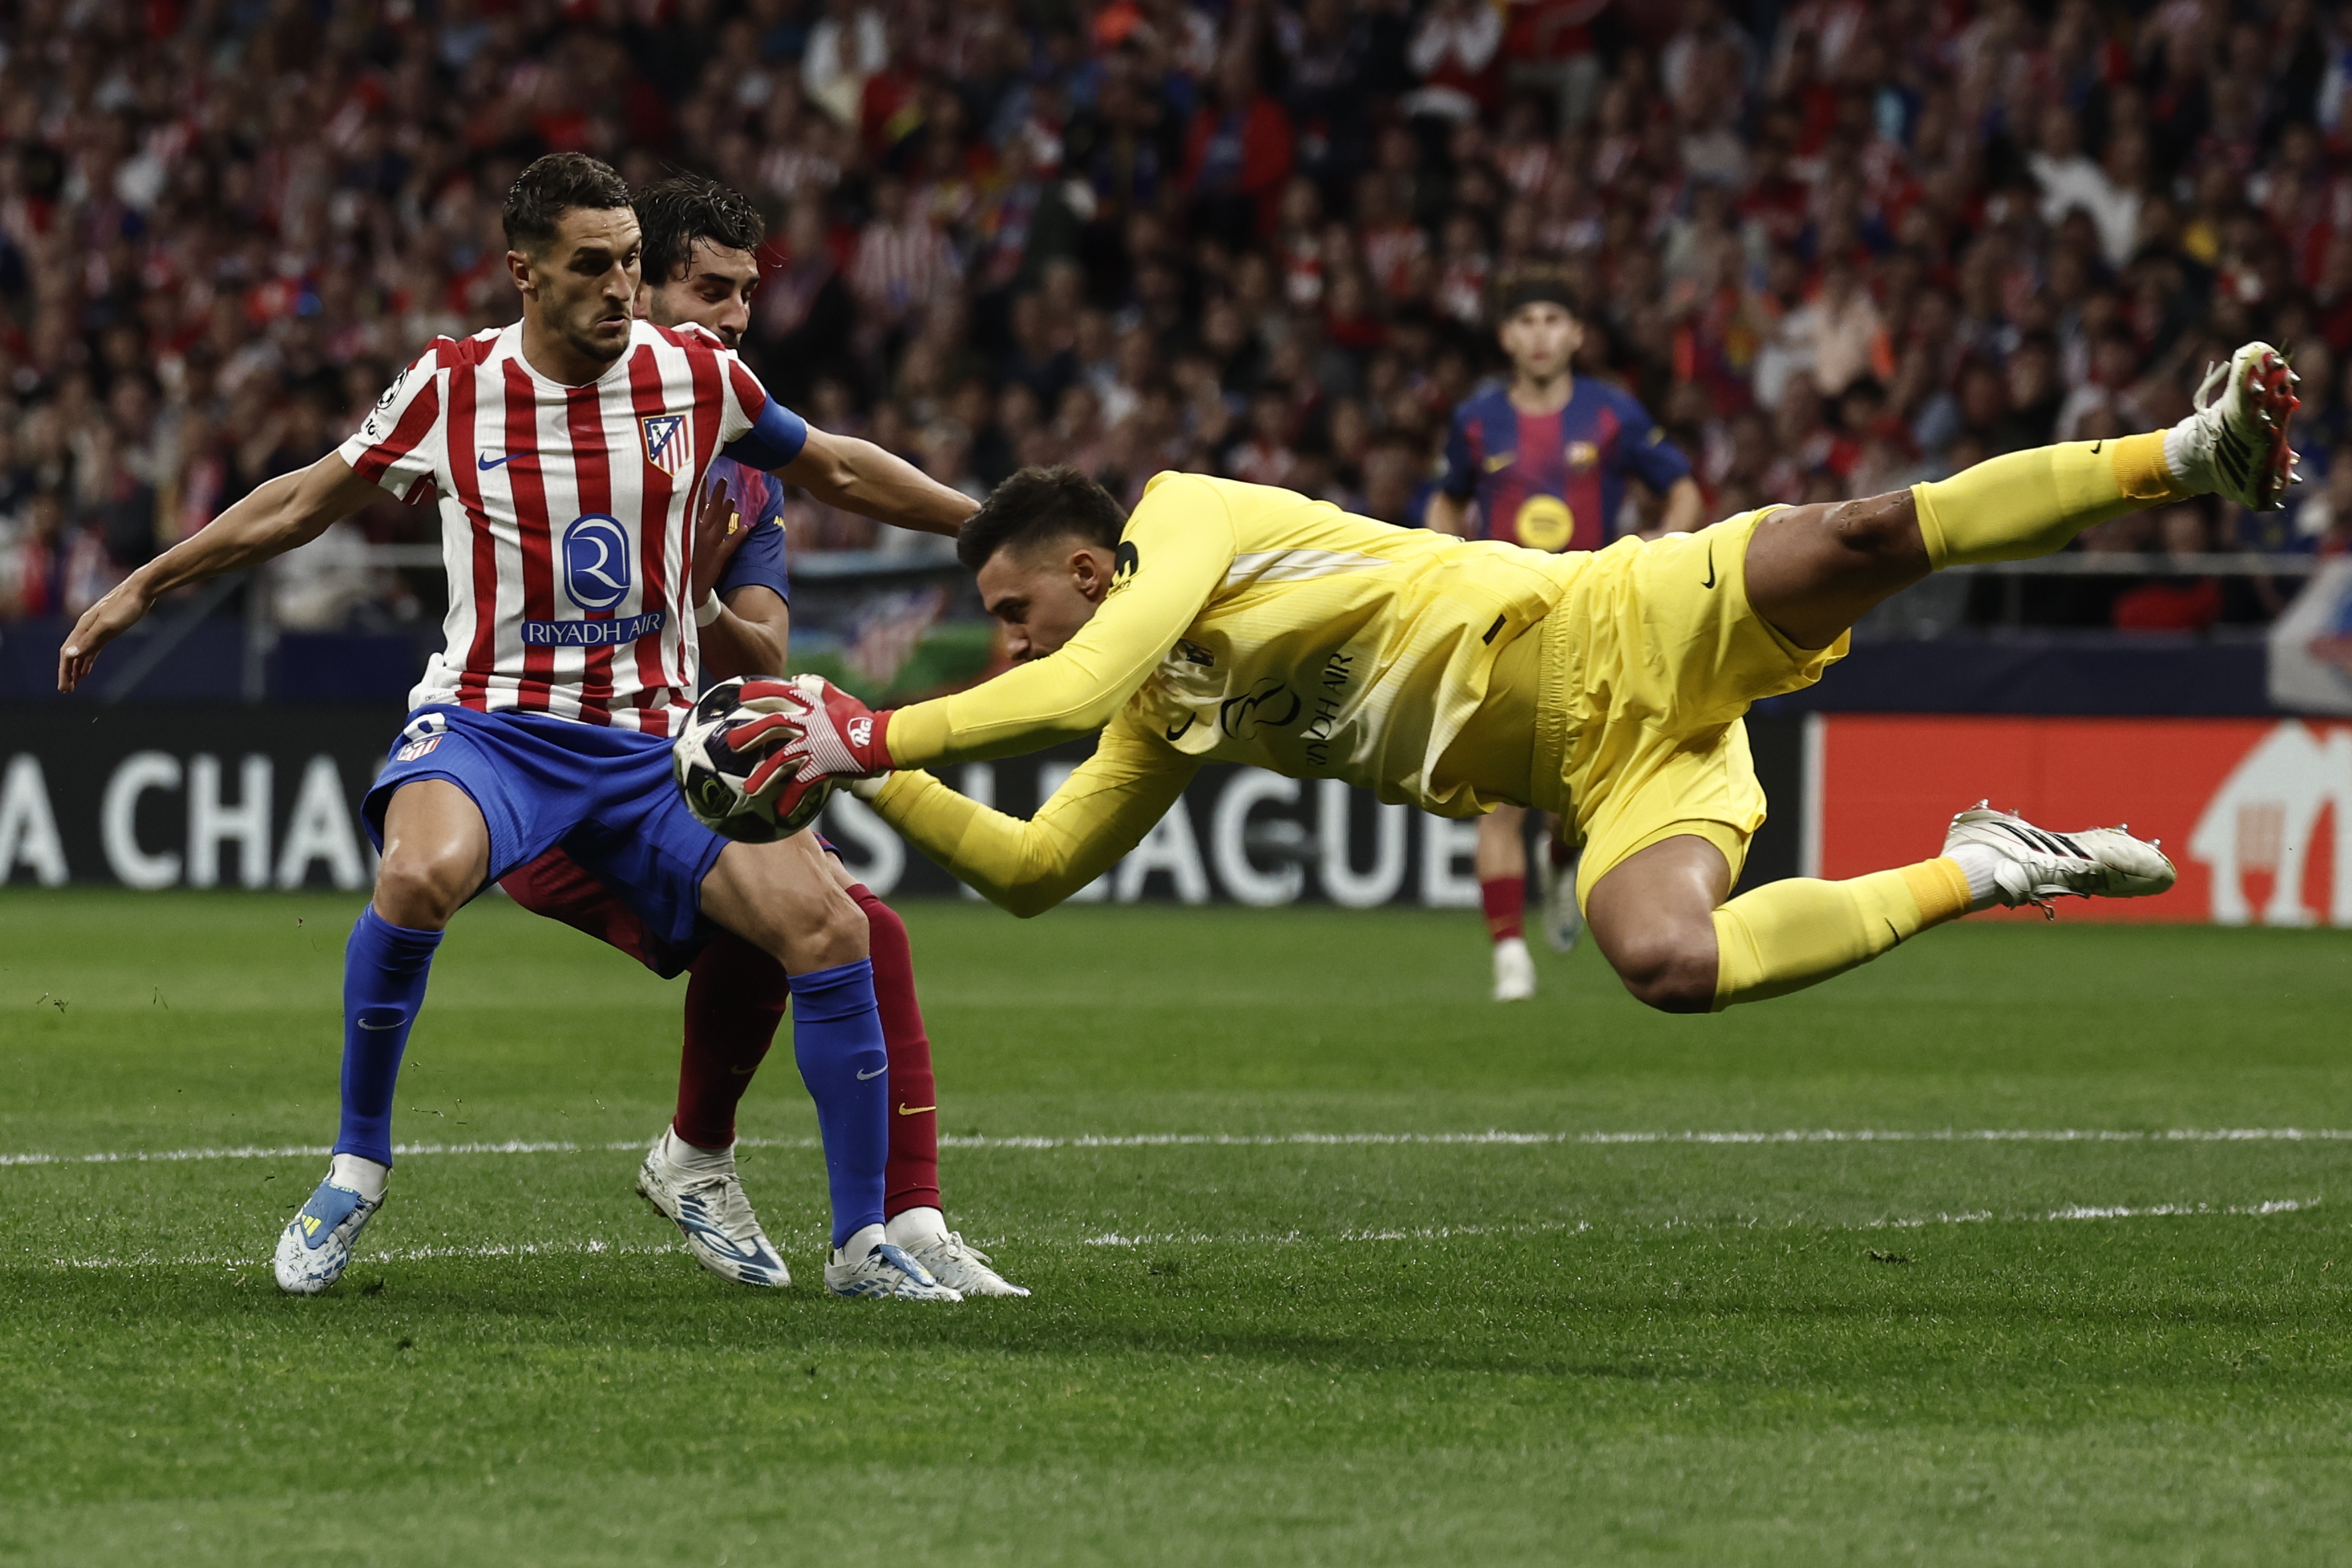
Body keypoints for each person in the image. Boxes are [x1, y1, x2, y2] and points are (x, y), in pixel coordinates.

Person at [56, 153, 979, 1302]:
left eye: (634, 263)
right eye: (593, 266)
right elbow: (303, 500)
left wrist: (985, 528)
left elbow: (837, 466)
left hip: (653, 746)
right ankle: (355, 1167)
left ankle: (861, 1248)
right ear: (524, 274)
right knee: (418, 877)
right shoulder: (453, 386)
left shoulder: (693, 375)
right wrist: (146, 585)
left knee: (833, 928)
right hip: (497, 725)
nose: (621, 288)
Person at [735, 343, 2302, 1017]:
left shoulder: (1184, 517)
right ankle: (1983, 865)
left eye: (1015, 609)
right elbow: (1032, 870)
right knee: (1666, 967)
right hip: (1597, 777)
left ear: (1089, 568)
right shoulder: (1163, 709)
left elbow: (1064, 693)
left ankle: (2179, 453)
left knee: (1863, 530)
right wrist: (880, 778)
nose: (1007, 643)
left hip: (1620, 618)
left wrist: (859, 727)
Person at [494, 175, 1023, 1298]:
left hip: (664, 769)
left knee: (843, 932)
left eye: (746, 296)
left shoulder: (738, 460)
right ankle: (768, 1184)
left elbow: (767, 651)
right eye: (710, 288)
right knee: (833, 928)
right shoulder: (549, 413)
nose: (735, 317)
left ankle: (892, 1217)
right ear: (639, 282)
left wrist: (698, 599)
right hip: (550, 774)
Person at [1426, 268, 1704, 1001]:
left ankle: (1561, 859)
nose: (1541, 333)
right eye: (1528, 320)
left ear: (1577, 334)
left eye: (1555, 319)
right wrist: (1445, 564)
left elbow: (1682, 487)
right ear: (1506, 335)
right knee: (1499, 796)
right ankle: (1509, 957)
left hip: (1595, 618)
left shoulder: (1612, 413)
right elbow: (1446, 500)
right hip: (1506, 622)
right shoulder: (1478, 420)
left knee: (1572, 805)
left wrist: (1656, 548)